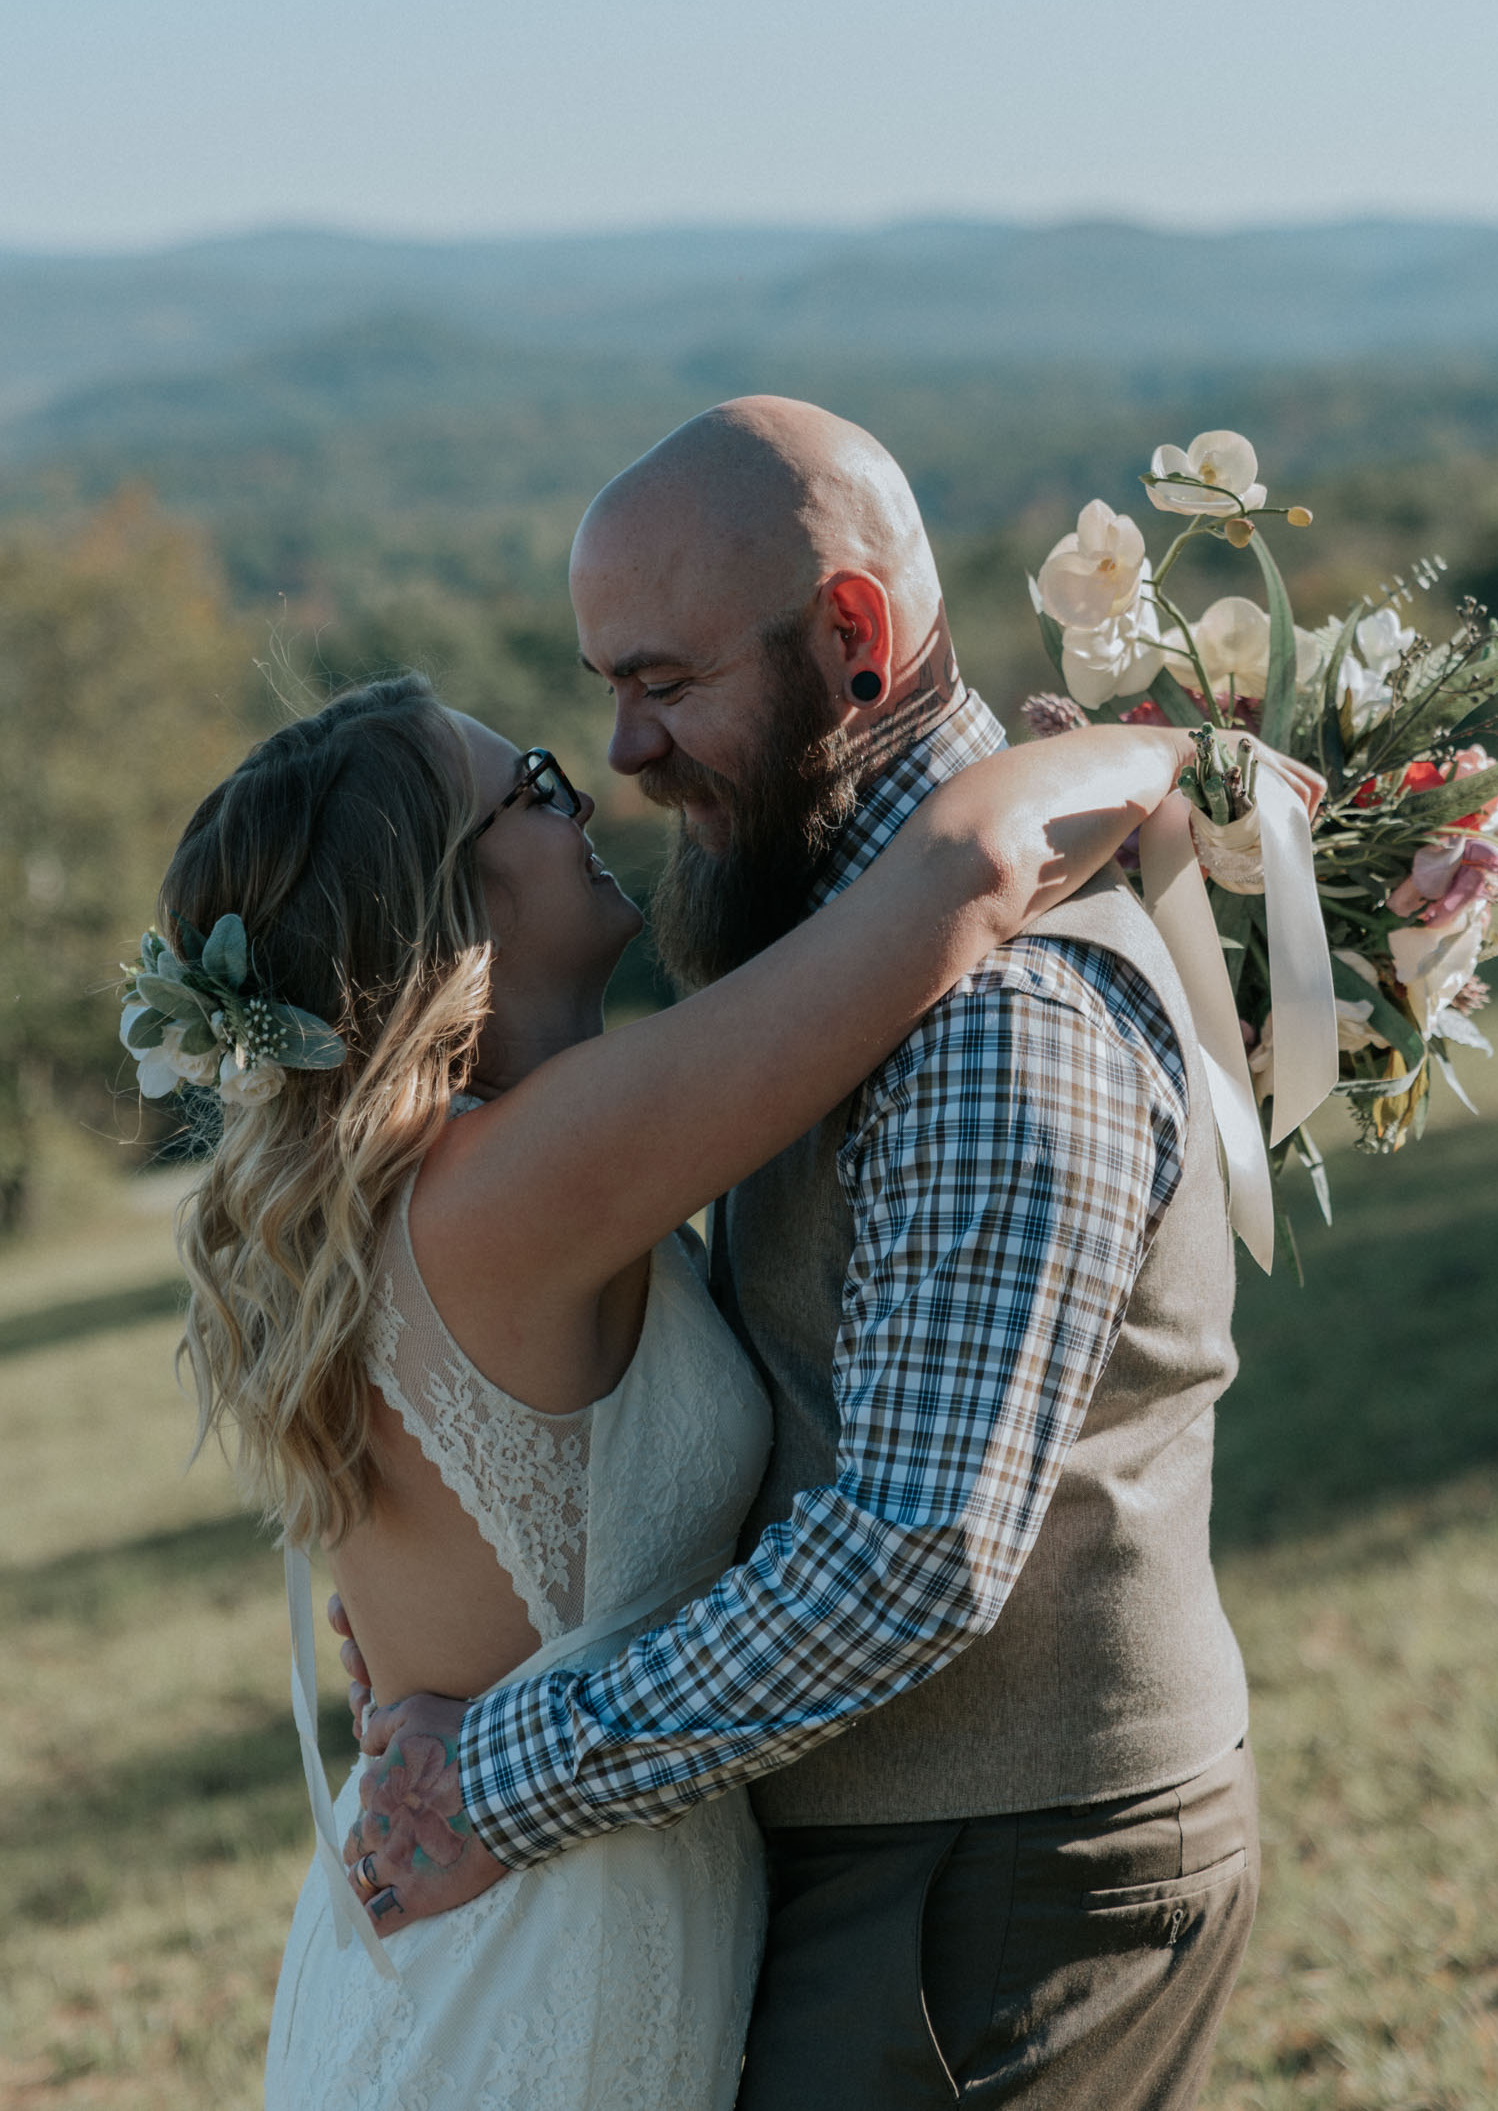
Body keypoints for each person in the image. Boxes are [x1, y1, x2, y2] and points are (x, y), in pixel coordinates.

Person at [341, 398, 1325, 2109]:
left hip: (995, 1873)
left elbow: (918, 1552)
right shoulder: (837, 949)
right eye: (603, 696)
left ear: (855, 640)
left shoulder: (995, 1017)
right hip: (893, 1853)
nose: (630, 752)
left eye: (665, 681)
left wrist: (489, 1780)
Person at [143, 662, 1217, 2110]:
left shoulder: (436, 1190)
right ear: (451, 903)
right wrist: (1171, 739)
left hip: (511, 1923)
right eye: (527, 784)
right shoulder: (519, 1175)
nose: (581, 788)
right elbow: (964, 872)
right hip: (545, 1949)